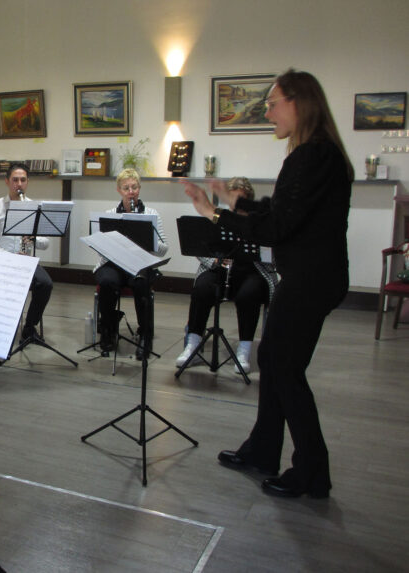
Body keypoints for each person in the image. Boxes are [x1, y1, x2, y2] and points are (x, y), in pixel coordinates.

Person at [183, 69, 352, 499]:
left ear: (299, 102)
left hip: (310, 280)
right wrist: (232, 199)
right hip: (313, 277)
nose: (268, 111)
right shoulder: (320, 153)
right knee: (277, 362)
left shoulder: (312, 156)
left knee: (284, 370)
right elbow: (285, 212)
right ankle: (262, 449)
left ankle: (313, 471)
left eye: (273, 102)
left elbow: (276, 227)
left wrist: (214, 212)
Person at [175, 177, 279, 373]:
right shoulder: (220, 217)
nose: (235, 207)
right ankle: (193, 345)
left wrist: (260, 250)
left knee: (249, 294)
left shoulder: (259, 221)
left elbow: (273, 258)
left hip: (254, 271)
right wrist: (215, 261)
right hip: (222, 270)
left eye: (239, 200)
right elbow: (201, 246)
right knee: (202, 287)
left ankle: (244, 350)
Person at [94, 168, 168, 357]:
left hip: (140, 263)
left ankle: (145, 334)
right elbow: (102, 247)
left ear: (139, 189)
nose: (131, 192)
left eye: (134, 187)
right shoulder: (110, 213)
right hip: (114, 263)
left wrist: (148, 241)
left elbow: (163, 248)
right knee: (107, 282)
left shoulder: (151, 214)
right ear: (119, 190)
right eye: (126, 188)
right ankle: (108, 330)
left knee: (142, 283)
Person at [0, 162, 53, 342]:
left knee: (45, 283)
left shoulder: (35, 208)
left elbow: (46, 243)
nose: (19, 184)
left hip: (26, 261)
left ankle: (29, 327)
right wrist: (7, 256)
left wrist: (33, 238)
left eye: (22, 180)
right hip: (1, 261)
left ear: (27, 182)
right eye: (15, 180)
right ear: (7, 181)